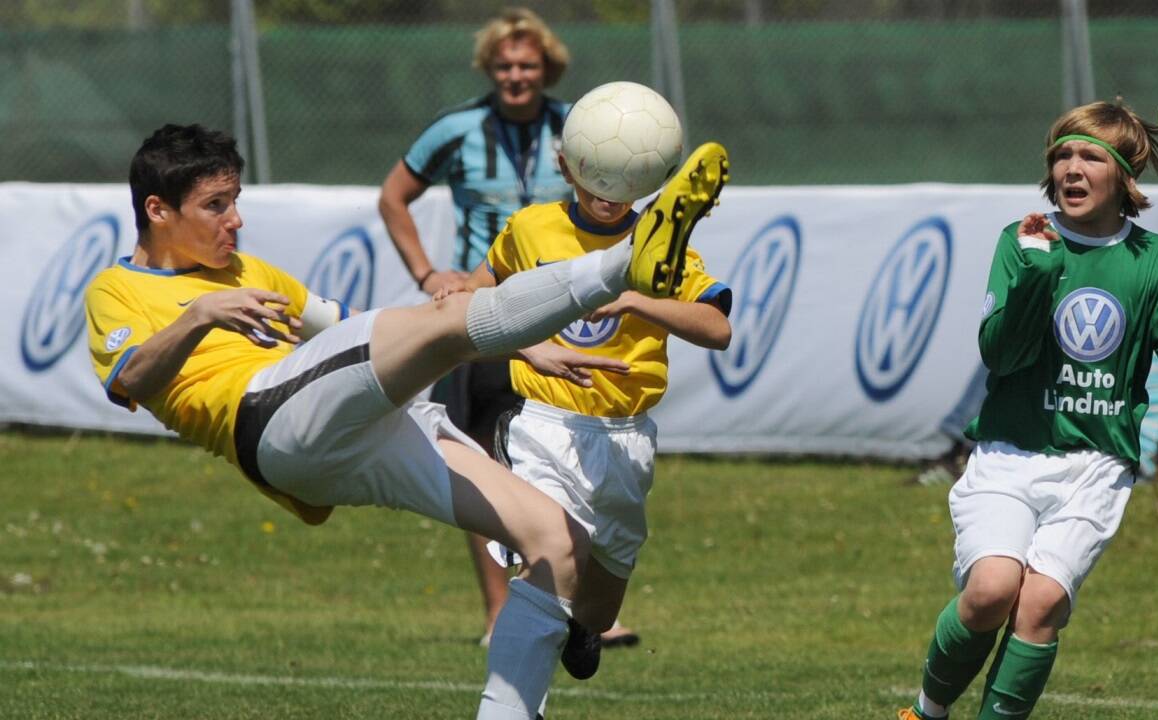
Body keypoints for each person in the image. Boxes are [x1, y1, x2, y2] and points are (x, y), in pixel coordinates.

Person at [84, 123, 725, 720]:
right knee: (438, 325)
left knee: (557, 544)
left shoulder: (250, 273)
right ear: (157, 211)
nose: (236, 219)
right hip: (270, 419)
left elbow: (364, 330)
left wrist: (524, 343)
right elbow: (130, 380)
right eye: (216, 205)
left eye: (236, 199)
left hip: (350, 436)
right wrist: (198, 314)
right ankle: (625, 263)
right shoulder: (118, 290)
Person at [897, 101, 1158, 720]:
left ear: (1124, 176)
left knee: (1042, 604)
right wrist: (1035, 277)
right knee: (991, 592)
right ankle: (925, 712)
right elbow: (1002, 355)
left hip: (1096, 466)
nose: (1071, 169)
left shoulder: (1156, 259)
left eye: (1089, 156)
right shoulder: (1024, 241)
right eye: (1061, 156)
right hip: (1010, 453)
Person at [376, 7, 647, 647]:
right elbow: (394, 196)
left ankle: (571, 601)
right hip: (485, 314)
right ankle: (500, 611)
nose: (515, 75)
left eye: (526, 65)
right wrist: (427, 274)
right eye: (503, 66)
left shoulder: (580, 126)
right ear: (489, 69)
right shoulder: (457, 128)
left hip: (567, 318)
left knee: (565, 453)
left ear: (546, 67)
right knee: (480, 458)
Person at [446, 116, 732, 687]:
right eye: (596, 174)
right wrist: (466, 299)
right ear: (570, 167)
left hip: (625, 439)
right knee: (551, 556)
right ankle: (512, 697)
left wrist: (636, 300)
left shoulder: (657, 247)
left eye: (625, 176)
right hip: (541, 424)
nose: (608, 190)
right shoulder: (530, 228)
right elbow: (477, 292)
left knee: (598, 609)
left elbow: (716, 328)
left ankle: (583, 626)